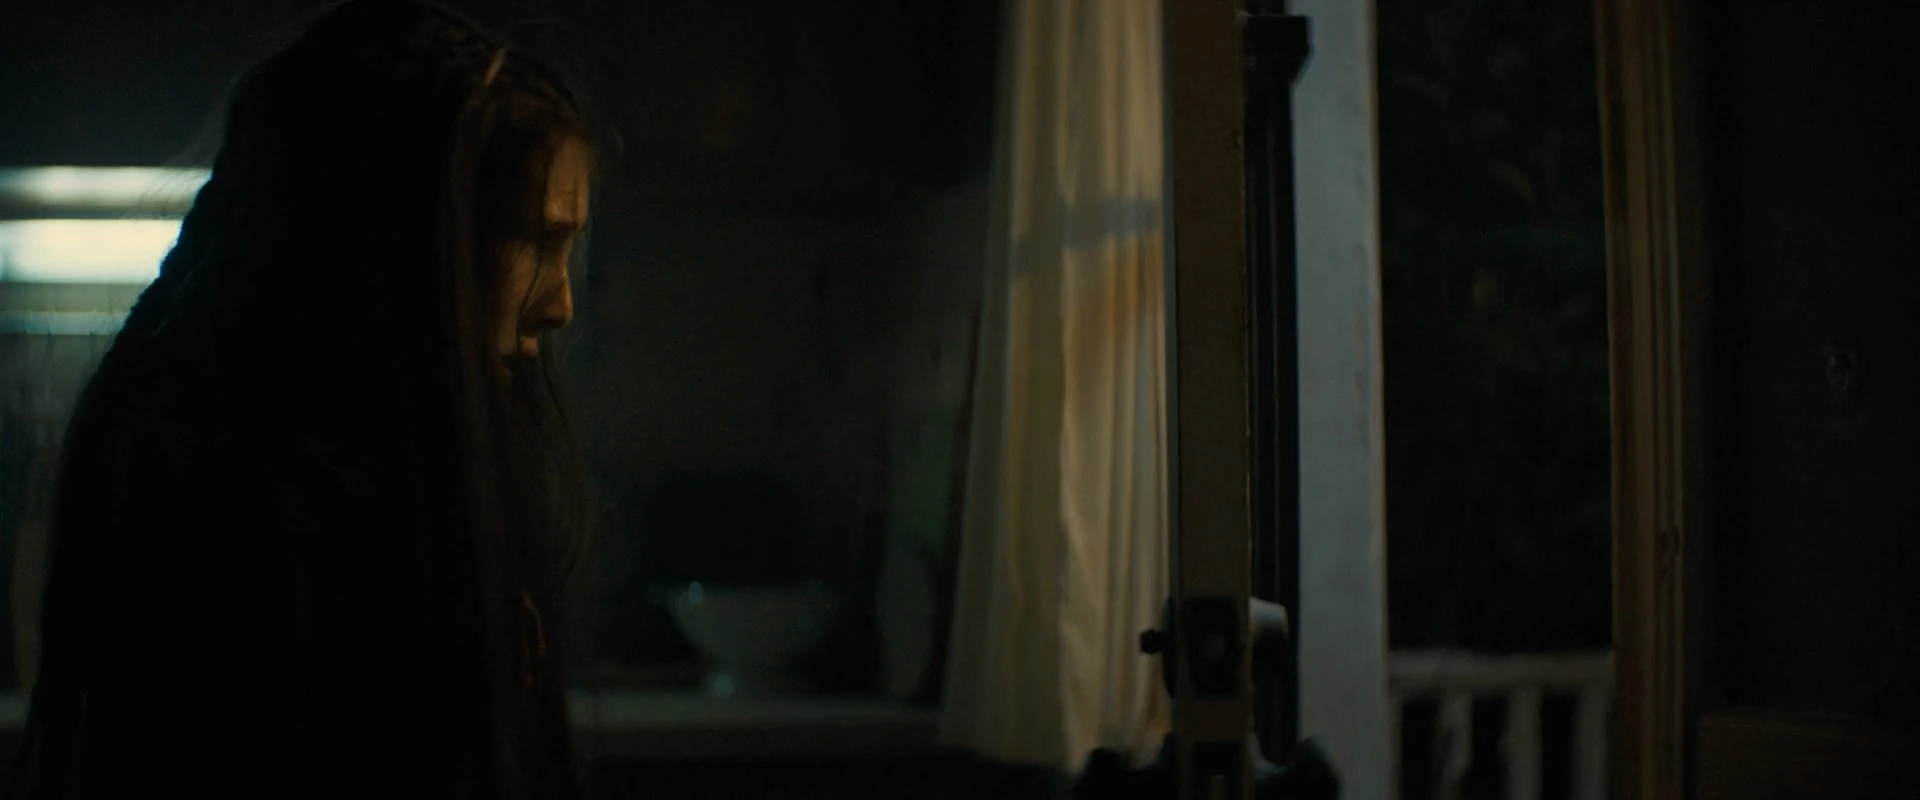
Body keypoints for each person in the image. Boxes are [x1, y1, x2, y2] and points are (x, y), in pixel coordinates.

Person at [2, 1, 596, 797]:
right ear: (391, 236)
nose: (559, 304)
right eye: (534, 239)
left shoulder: (332, 484)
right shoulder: (243, 518)